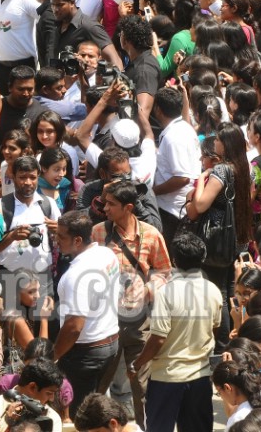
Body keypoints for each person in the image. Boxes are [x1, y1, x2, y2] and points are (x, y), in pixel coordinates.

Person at [92, 179, 171, 424]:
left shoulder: (151, 235)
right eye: (105, 204)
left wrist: (147, 289)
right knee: (100, 382)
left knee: (142, 384)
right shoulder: (98, 232)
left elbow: (165, 272)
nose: (105, 209)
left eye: (111, 205)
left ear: (128, 207)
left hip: (139, 322)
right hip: (106, 321)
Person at [131, 231, 221, 432]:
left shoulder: (166, 293)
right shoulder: (213, 290)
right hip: (200, 377)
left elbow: (158, 340)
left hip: (166, 379)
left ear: (174, 261)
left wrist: (137, 364)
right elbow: (213, 328)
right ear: (203, 258)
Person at [53, 209, 120, 416]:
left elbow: (74, 327)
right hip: (111, 345)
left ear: (78, 240)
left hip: (85, 354)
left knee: (79, 417)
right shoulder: (107, 254)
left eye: (61, 237)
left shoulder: (76, 275)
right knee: (96, 412)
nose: (56, 240)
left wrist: (53, 356)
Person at [152, 86, 201, 244]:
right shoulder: (181, 129)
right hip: (174, 208)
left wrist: (152, 192)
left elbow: (182, 178)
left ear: (158, 109)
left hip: (172, 211)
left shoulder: (174, 136)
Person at [0, 359, 65, 432]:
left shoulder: (52, 417)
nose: (52, 399)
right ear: (32, 387)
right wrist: (7, 424)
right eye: (49, 393)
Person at [51, 0, 119, 65]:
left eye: (60, 5)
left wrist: (117, 77)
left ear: (72, 2)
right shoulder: (56, 25)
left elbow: (114, 58)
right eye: (53, 5)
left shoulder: (89, 26)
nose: (55, 10)